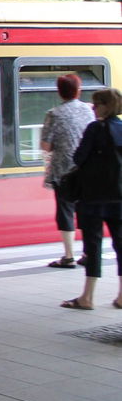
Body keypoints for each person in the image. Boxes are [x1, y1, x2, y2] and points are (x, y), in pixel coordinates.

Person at [60, 87, 122, 310]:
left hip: (93, 198)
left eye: (96, 104)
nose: (93, 108)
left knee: (93, 246)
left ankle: (87, 297)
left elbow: (78, 158)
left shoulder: (95, 128)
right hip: (120, 197)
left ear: (106, 106)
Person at [40, 73, 94, 267]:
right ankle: (88, 253)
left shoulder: (53, 114)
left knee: (65, 211)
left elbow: (46, 146)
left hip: (63, 172)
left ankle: (69, 256)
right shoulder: (89, 111)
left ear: (59, 92)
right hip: (86, 170)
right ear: (78, 90)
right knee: (86, 212)